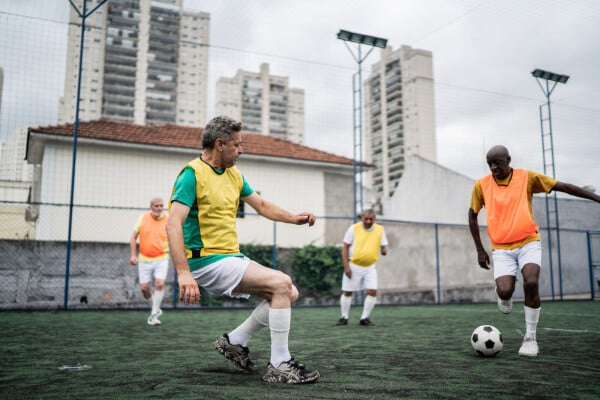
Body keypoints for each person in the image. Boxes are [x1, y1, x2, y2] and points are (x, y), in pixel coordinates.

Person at [166, 115, 320, 384]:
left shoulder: (234, 175)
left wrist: (293, 217)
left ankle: (235, 341)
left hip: (230, 258)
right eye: (237, 145)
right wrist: (182, 273)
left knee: (288, 292)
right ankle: (279, 364)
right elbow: (172, 224)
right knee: (281, 283)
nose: (241, 150)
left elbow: (260, 205)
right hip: (206, 262)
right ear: (220, 144)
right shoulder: (191, 174)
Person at [468, 145, 600, 356]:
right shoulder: (481, 186)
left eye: (497, 163)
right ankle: (503, 294)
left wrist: (597, 198)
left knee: (531, 281)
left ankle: (530, 338)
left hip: (528, 241)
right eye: (490, 164)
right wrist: (479, 249)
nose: (493, 168)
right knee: (505, 290)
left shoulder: (526, 178)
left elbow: (562, 186)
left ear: (508, 160)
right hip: (501, 248)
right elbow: (472, 215)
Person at [336, 209, 388, 327]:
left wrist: (384, 250)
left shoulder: (380, 229)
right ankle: (344, 317)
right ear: (361, 218)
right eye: (366, 219)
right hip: (353, 265)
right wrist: (346, 267)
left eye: (371, 219)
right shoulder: (353, 228)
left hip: (370, 267)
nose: (369, 221)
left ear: (375, 219)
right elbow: (345, 248)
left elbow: (383, 245)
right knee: (347, 292)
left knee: (372, 291)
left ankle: (364, 318)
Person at [129, 197, 170, 326]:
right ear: (151, 206)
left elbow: (175, 236)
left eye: (161, 206)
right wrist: (133, 255)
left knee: (159, 283)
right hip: (144, 259)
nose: (159, 208)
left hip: (162, 258)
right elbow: (133, 237)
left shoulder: (168, 220)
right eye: (156, 206)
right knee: (144, 288)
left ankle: (153, 315)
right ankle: (156, 308)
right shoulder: (143, 218)